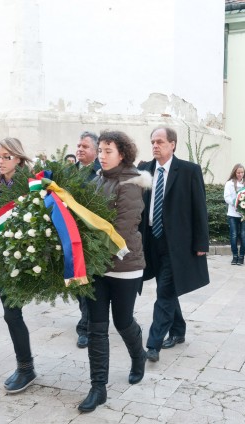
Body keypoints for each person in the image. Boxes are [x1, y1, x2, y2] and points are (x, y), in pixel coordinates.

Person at [77, 131, 151, 413]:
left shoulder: (130, 183)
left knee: (122, 321)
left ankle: (138, 355)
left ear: (123, 154)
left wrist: (89, 246)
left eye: (108, 151)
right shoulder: (98, 179)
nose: (102, 156)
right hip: (97, 266)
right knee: (96, 327)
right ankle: (98, 388)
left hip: (124, 265)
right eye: (101, 151)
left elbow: (122, 228)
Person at [138, 127, 209, 363]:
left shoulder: (189, 171)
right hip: (151, 240)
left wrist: (201, 242)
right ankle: (178, 330)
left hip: (175, 243)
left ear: (173, 144)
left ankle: (153, 344)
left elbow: (199, 208)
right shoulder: (145, 169)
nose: (155, 146)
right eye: (153, 142)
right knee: (166, 286)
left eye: (160, 141)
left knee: (165, 291)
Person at [0, 137, 37, 394]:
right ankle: (25, 367)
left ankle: (26, 368)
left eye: (7, 157)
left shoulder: (30, 183)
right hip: (0, 256)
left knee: (13, 313)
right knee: (11, 314)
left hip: (25, 255)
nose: (1, 162)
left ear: (18, 158)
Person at [74, 131, 101, 349]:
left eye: (85, 146)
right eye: (79, 146)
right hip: (68, 235)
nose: (80, 149)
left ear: (96, 151)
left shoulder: (101, 173)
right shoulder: (68, 172)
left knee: (87, 281)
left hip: (91, 237)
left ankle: (85, 327)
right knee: (75, 282)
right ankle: (88, 317)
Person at [224, 164, 245, 265]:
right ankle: (235, 256)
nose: (240, 174)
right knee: (234, 235)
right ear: (234, 172)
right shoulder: (229, 183)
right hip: (232, 213)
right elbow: (226, 197)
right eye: (238, 172)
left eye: (242, 172)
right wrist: (236, 203)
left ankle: (241, 256)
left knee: (243, 235)